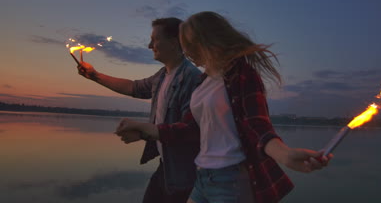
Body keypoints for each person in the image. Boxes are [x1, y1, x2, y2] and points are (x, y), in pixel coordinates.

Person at [116, 11, 333, 203]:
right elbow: (187, 129)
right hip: (202, 177)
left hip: (231, 180)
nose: (188, 50)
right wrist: (145, 129)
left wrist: (285, 155)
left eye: (191, 43)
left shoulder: (241, 74)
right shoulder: (204, 82)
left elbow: (257, 125)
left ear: (209, 39)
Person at [78, 17, 202, 203]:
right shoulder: (162, 76)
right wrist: (95, 76)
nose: (149, 45)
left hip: (183, 172)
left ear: (174, 42)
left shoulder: (192, 78)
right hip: (166, 167)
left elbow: (188, 131)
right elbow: (134, 88)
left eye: (155, 39)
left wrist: (143, 130)